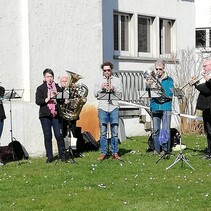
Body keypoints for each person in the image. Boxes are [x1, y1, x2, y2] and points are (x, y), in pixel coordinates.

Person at [35, 68, 66, 163]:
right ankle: (49, 156)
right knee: (47, 135)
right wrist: (47, 99)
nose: (50, 78)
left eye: (51, 76)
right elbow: (38, 101)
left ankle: (62, 155)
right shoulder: (40, 88)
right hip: (45, 115)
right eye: (47, 76)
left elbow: (63, 100)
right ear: (44, 78)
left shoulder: (57, 87)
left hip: (56, 114)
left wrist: (58, 96)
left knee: (59, 135)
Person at [94, 61, 123, 160]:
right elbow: (95, 94)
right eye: (105, 70)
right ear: (103, 71)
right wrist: (101, 88)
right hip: (102, 107)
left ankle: (115, 152)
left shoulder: (117, 80)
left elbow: (121, 94)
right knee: (103, 132)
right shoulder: (98, 80)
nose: (106, 72)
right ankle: (103, 153)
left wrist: (114, 88)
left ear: (111, 70)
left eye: (108, 70)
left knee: (115, 132)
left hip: (114, 107)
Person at [149, 60, 174, 156]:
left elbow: (169, 94)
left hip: (166, 107)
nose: (158, 71)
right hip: (155, 105)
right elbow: (148, 93)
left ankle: (165, 150)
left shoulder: (169, 80)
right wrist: (149, 85)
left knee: (166, 129)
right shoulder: (152, 79)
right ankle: (156, 149)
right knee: (155, 130)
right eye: (156, 69)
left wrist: (160, 91)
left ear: (164, 69)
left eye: (160, 69)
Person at [191, 59, 211, 159]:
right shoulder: (206, 76)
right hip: (206, 108)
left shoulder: (209, 77)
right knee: (208, 131)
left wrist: (197, 84)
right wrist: (196, 83)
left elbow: (207, 89)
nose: (203, 68)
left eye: (205, 66)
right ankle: (209, 152)